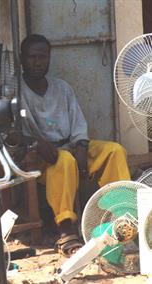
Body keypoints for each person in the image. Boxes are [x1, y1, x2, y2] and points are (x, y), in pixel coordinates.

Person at [18, 34, 131, 257]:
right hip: (41, 156)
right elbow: (12, 133)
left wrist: (81, 145)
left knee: (114, 151)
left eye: (43, 57)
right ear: (22, 59)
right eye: (32, 57)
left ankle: (122, 216)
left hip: (70, 146)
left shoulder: (62, 88)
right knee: (64, 160)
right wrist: (36, 142)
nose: (38, 62)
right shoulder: (16, 92)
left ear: (49, 59)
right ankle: (66, 229)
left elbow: (78, 122)